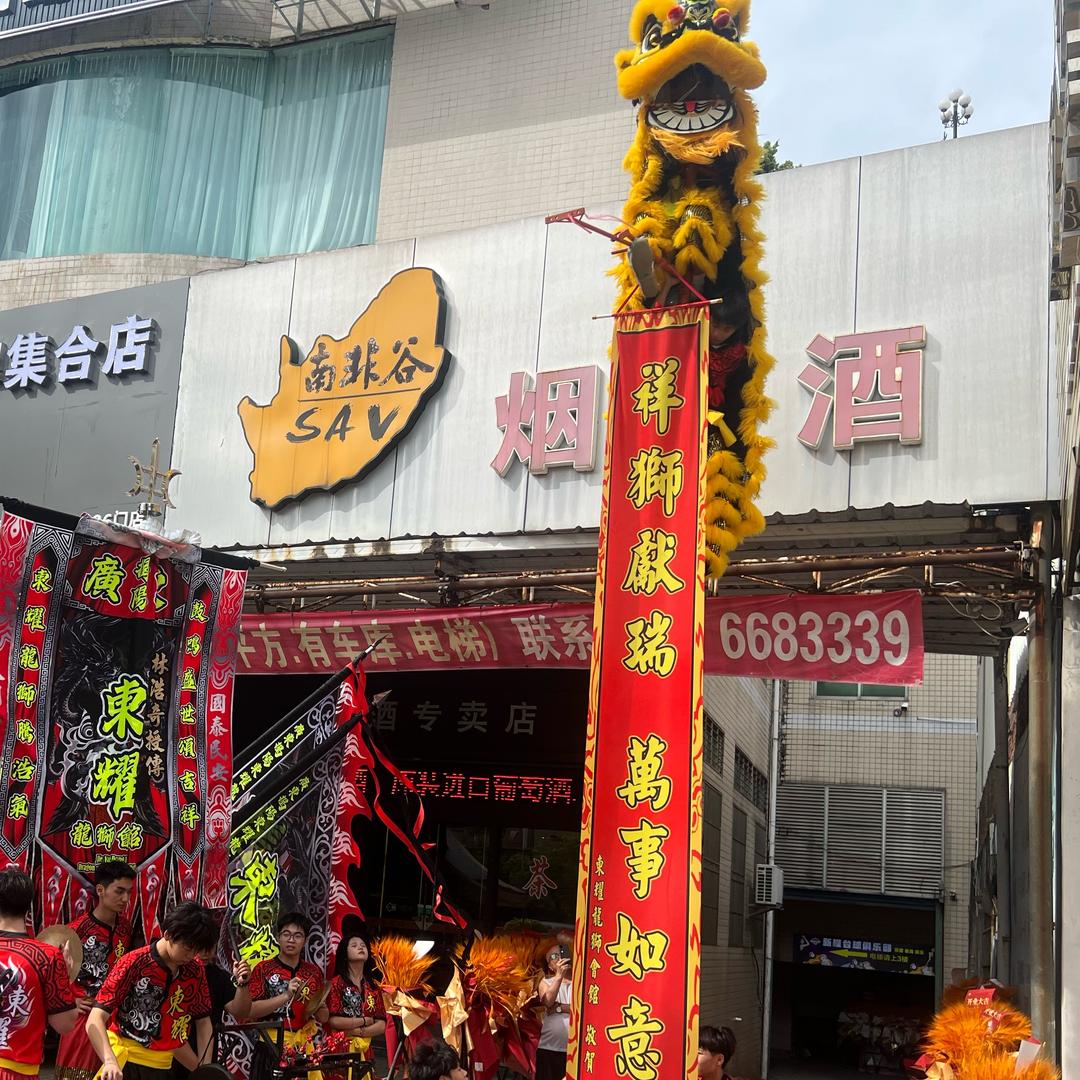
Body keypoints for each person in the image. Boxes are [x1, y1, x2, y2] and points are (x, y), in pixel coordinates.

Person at [86, 901, 217, 1080]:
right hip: (124, 1065)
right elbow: (95, 1018)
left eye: (196, 950)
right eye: (187, 948)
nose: (191, 956)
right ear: (168, 934)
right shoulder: (134, 962)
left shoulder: (195, 970)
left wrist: (205, 1067)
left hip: (164, 1066)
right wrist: (109, 1060)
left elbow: (203, 1021)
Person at [56, 861, 137, 1080]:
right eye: (119, 891)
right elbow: (55, 976)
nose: (125, 899)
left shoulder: (127, 929)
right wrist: (71, 1000)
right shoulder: (76, 931)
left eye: (129, 892)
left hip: (115, 1019)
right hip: (82, 1017)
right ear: (100, 890)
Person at [0, 868, 80, 1079]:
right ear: (29, 906)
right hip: (17, 1072)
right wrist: (67, 976)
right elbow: (65, 1024)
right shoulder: (48, 957)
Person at [248, 913, 327, 1050]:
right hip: (269, 1044)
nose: (291, 940)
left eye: (298, 936)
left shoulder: (314, 972)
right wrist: (285, 996)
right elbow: (251, 1010)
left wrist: (319, 1006)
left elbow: (324, 1018)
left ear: (305, 941)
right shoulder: (263, 969)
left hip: (302, 1045)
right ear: (278, 937)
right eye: (286, 934)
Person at [172, 943, 251, 1075]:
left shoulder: (218, 976)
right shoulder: (175, 972)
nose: (205, 953)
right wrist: (202, 1072)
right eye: (200, 946)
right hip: (171, 1058)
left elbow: (240, 1011)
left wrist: (242, 984)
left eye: (210, 947)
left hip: (206, 1053)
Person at [324, 933, 385, 1060]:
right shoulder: (336, 983)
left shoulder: (373, 986)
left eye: (363, 945)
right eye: (354, 945)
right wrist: (364, 1021)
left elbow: (382, 1024)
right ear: (345, 954)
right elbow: (333, 1021)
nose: (360, 948)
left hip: (365, 1049)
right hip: (341, 1049)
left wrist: (358, 1032)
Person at [535, 943, 571, 1080]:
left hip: (573, 1050)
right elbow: (548, 1001)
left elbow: (582, 1010)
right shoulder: (546, 982)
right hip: (549, 1048)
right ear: (550, 966)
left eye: (562, 953)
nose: (560, 958)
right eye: (554, 956)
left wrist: (559, 1007)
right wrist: (559, 976)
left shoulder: (580, 982)